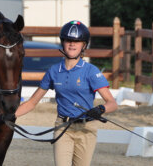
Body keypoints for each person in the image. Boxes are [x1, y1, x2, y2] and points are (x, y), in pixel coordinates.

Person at [14, 20, 118, 166]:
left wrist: (101, 109)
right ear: (63, 43)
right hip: (63, 128)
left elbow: (112, 103)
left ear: (84, 45)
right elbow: (32, 103)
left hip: (86, 129)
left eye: (77, 41)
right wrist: (10, 116)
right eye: (68, 40)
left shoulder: (91, 71)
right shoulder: (53, 71)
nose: (72, 44)